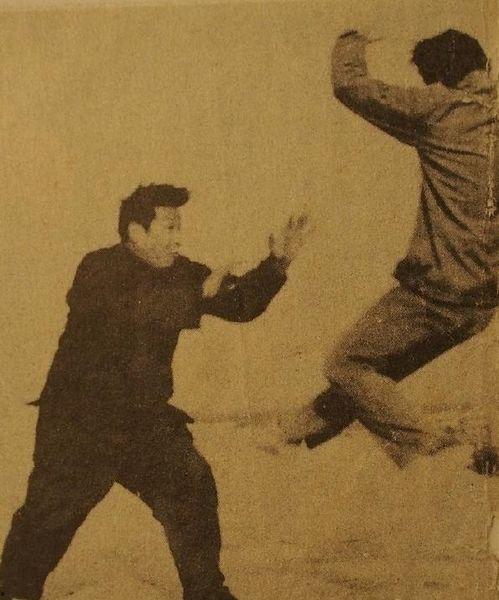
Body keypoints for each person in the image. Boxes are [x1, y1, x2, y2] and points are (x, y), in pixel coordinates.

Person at [0, 183, 310, 600]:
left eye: (180, 227)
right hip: (80, 422)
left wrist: (277, 263)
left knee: (191, 486)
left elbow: (239, 305)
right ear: (136, 232)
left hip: (143, 421)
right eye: (169, 227)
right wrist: (198, 294)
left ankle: (206, 593)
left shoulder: (181, 272)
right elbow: (137, 307)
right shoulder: (98, 268)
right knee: (49, 515)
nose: (178, 238)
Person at [281, 29, 498, 467]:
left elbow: (349, 85)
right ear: (485, 66)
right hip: (482, 303)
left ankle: (435, 449)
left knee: (346, 364)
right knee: (374, 377)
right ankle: (289, 434)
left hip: (438, 292)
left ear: (438, 81)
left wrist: (352, 37)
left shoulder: (439, 109)